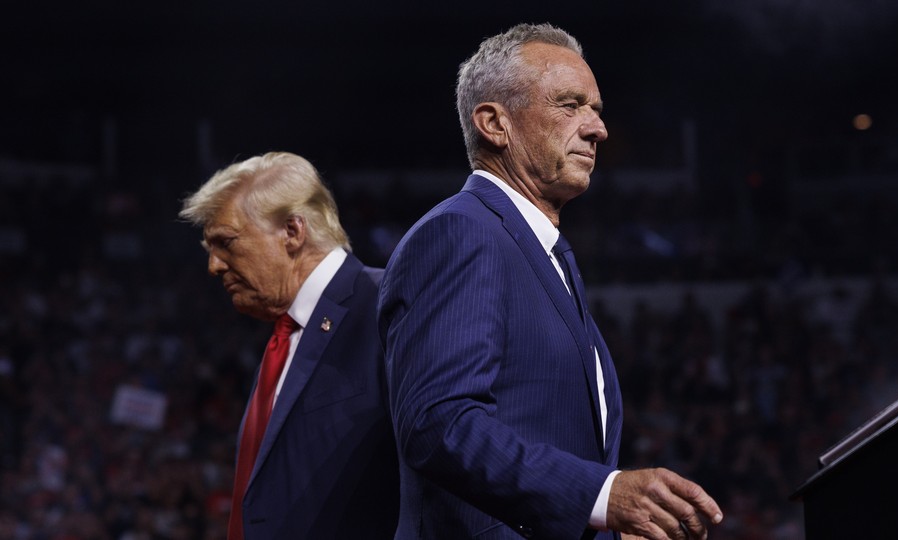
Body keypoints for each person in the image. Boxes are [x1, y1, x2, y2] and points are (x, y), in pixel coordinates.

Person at [377, 23, 722, 540]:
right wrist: (602, 495)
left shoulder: (539, 250)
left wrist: (603, 527)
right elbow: (438, 424)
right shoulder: (461, 233)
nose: (597, 129)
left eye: (597, 110)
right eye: (570, 105)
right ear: (495, 123)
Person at [179, 152, 399, 539]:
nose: (214, 265)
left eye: (226, 243)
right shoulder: (286, 335)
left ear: (293, 232)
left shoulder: (386, 303)